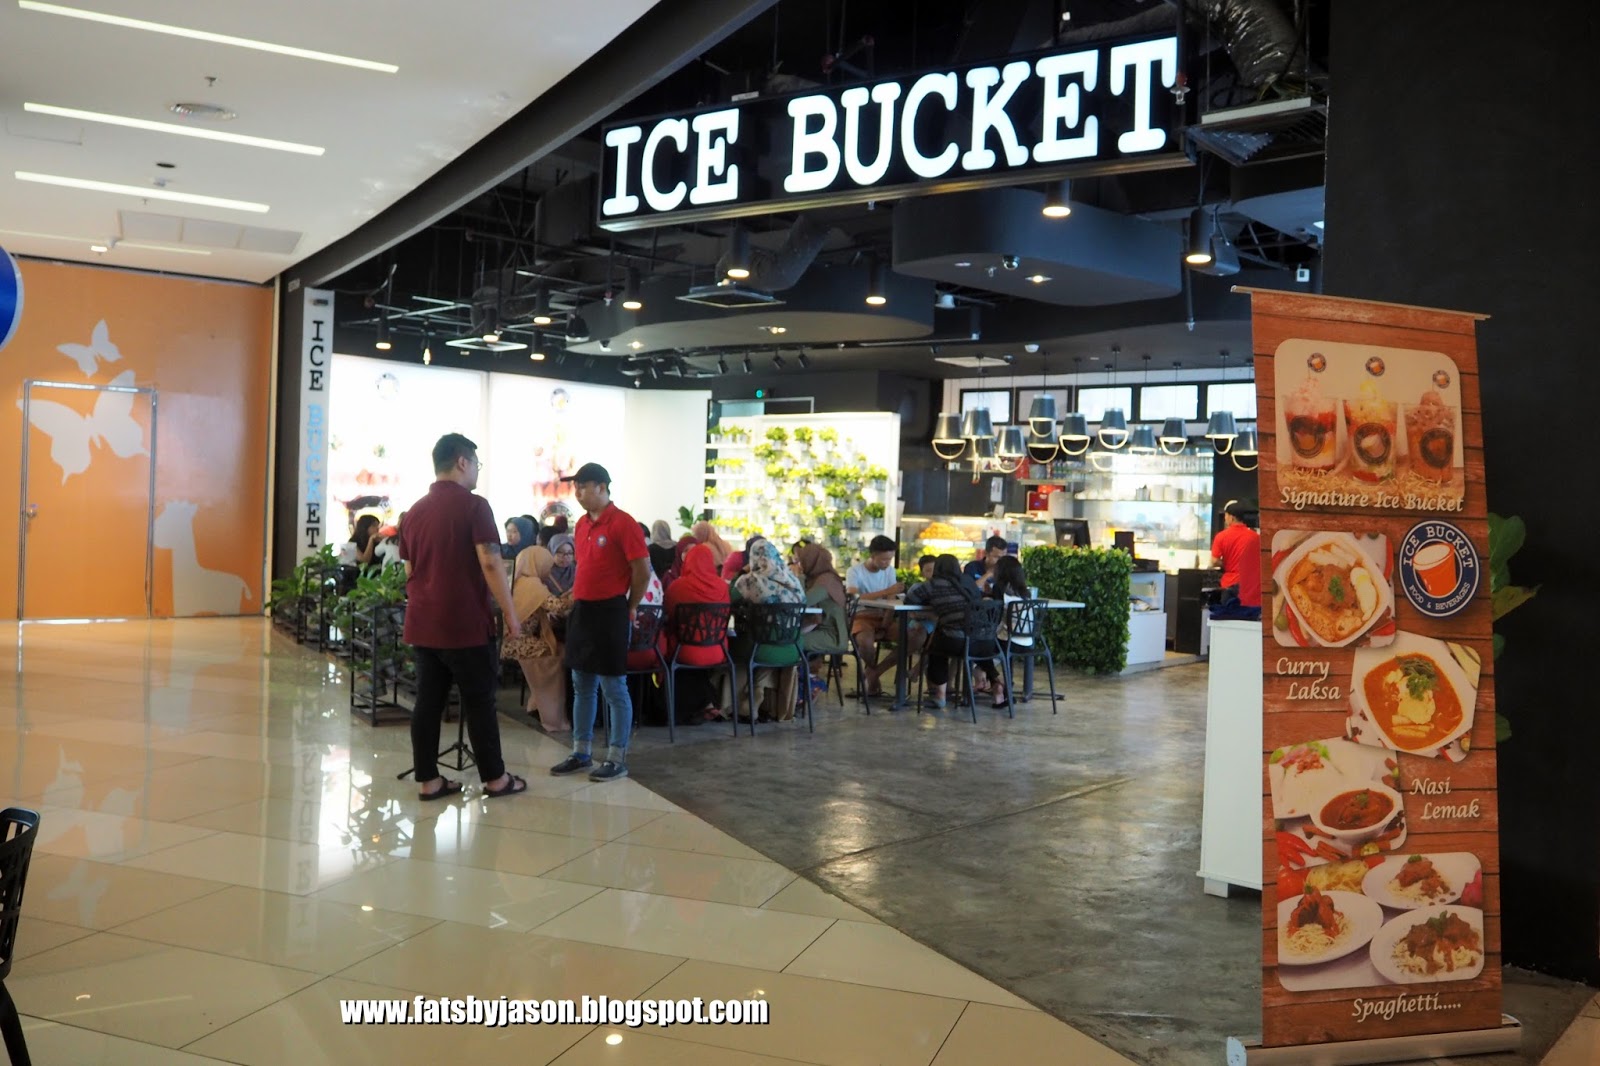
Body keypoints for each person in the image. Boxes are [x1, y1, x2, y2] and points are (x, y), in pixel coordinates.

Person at [398, 433, 526, 800]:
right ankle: (496, 779)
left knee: (427, 703)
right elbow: (489, 561)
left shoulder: (414, 512)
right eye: (476, 465)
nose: (476, 473)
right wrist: (512, 616)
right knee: (479, 703)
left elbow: (409, 570)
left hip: (423, 624)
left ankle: (429, 781)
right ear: (462, 462)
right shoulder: (474, 506)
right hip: (466, 625)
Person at [549, 463, 651, 783]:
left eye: (583, 486)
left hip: (611, 611)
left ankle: (616, 756)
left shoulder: (623, 523)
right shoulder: (581, 525)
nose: (577, 492)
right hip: (583, 610)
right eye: (575, 487)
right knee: (582, 684)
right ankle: (581, 751)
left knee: (613, 686)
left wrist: (631, 605)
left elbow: (642, 570)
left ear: (603, 487)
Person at [908, 554, 1005, 710]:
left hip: (957, 642)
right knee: (972, 648)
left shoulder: (933, 584)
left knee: (935, 650)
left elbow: (910, 599)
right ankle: (997, 681)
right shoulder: (968, 581)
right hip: (984, 641)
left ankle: (940, 696)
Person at [728, 540, 806, 721]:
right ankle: (769, 704)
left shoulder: (748, 581)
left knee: (734, 646)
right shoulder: (793, 580)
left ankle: (739, 705)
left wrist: (741, 573)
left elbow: (728, 599)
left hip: (760, 648)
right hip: (793, 649)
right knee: (765, 642)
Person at [503, 545, 573, 732]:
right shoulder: (533, 585)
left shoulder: (515, 581)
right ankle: (551, 714)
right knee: (558, 654)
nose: (549, 570)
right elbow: (557, 606)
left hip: (506, 641)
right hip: (518, 642)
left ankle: (537, 704)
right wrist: (577, 592)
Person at [662, 542, 732, 723]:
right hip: (718, 651)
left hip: (684, 651)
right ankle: (706, 703)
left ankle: (682, 709)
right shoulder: (722, 586)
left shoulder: (678, 586)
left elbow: (669, 616)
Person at [846, 535, 904, 698]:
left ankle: (875, 672)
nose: (887, 563)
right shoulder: (855, 571)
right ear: (872, 556)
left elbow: (892, 600)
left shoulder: (890, 571)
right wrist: (886, 592)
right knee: (865, 642)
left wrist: (887, 621)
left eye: (890, 559)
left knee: (912, 637)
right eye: (884, 559)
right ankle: (872, 671)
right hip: (861, 616)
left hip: (883, 616)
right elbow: (854, 597)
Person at [794, 543, 849, 687]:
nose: (800, 564)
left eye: (802, 560)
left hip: (833, 637)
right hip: (825, 631)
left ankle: (800, 686)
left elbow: (802, 602)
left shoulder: (825, 582)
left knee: (791, 642)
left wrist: (798, 577)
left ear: (811, 560)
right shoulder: (824, 577)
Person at [1211, 500, 1262, 616]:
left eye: (1226, 515)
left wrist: (1225, 564)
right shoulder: (1255, 537)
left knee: (1228, 621)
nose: (1225, 518)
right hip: (1249, 587)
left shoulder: (1221, 536)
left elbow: (1214, 561)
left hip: (1229, 585)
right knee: (1247, 621)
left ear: (1231, 517)